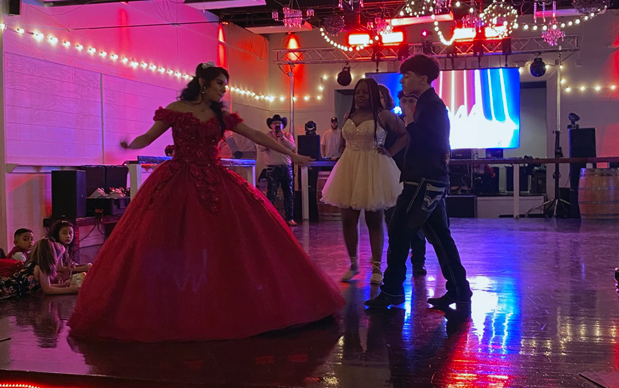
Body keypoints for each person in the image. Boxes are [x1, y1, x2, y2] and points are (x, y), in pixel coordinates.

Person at [69, 63, 343, 342]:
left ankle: (224, 302)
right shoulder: (176, 110)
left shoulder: (221, 115)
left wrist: (291, 155)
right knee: (170, 241)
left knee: (223, 241)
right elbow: (150, 136)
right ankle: (173, 307)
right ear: (203, 83)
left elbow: (256, 135)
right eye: (220, 84)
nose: (224, 89)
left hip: (213, 179)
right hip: (177, 179)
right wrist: (131, 145)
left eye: (225, 84)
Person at [367, 54, 472, 313]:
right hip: (428, 178)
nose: (403, 79)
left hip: (424, 179)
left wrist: (410, 122)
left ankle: (392, 290)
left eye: (408, 75)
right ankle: (459, 290)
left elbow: (432, 142)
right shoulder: (428, 104)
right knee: (438, 235)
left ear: (423, 79)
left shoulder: (431, 106)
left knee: (400, 230)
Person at [321, 77, 407, 284]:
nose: (360, 95)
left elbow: (405, 135)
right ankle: (353, 264)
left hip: (373, 166)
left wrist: (390, 151)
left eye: (365, 92)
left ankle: (377, 267)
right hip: (349, 166)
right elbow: (344, 140)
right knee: (348, 219)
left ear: (373, 95)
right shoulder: (348, 114)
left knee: (374, 219)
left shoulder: (383, 115)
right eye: (357, 92)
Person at [383, 90, 427, 278]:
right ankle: (394, 266)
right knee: (393, 221)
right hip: (394, 175)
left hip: (417, 176)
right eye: (404, 100)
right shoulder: (393, 123)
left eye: (412, 100)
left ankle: (418, 261)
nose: (407, 103)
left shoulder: (424, 122)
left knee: (417, 223)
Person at [261, 114, 297, 227]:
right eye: (275, 123)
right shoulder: (266, 136)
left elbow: (292, 147)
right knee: (271, 194)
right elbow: (261, 148)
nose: (277, 125)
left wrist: (283, 139)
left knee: (289, 194)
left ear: (282, 125)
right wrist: (271, 140)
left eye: (279, 123)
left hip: (286, 168)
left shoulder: (288, 135)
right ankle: (269, 218)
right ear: (271, 125)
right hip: (273, 169)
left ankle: (290, 218)